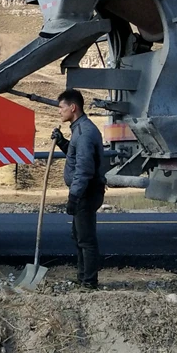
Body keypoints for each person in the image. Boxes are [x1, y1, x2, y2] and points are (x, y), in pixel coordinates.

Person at [52, 88, 106, 289]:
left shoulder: (84, 132)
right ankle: (83, 277)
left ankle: (89, 282)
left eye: (61, 107)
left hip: (86, 192)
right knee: (79, 236)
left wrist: (74, 197)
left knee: (86, 239)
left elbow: (84, 169)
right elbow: (76, 156)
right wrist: (62, 142)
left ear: (73, 107)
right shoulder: (79, 129)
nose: (59, 111)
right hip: (85, 191)